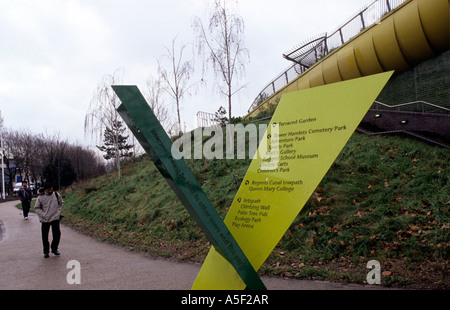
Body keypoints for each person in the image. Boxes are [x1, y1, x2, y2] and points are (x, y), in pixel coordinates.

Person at [34, 182, 63, 258]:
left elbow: (61, 204)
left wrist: (58, 213)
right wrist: (43, 215)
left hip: (55, 218)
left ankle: (54, 249)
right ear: (45, 190)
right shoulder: (40, 197)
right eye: (48, 190)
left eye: (51, 189)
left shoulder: (56, 195)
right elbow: (37, 208)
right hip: (45, 219)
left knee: (57, 235)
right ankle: (46, 251)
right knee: (45, 236)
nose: (50, 191)